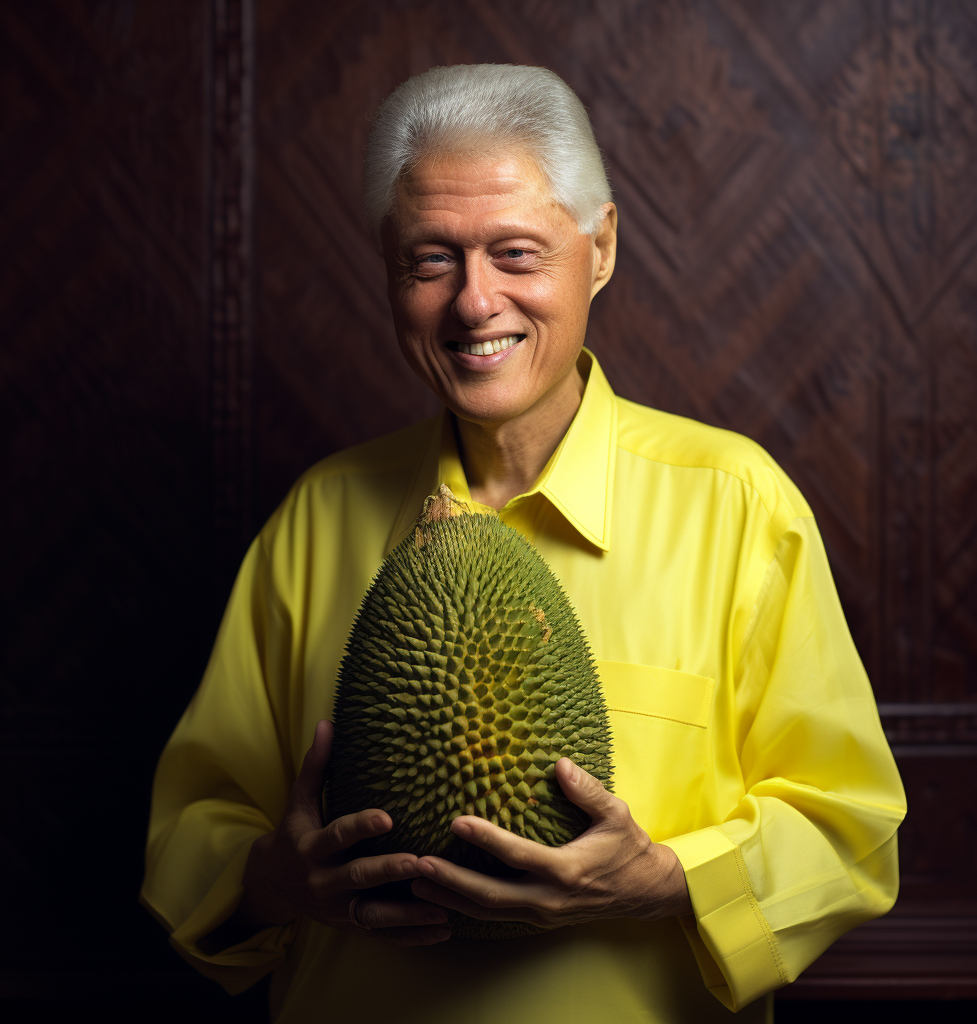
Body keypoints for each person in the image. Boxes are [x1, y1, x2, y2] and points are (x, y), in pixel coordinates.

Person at [141, 64, 906, 1023]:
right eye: (430, 260)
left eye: (516, 253)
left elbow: (852, 832)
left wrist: (666, 878)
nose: (473, 303)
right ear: (387, 269)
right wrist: (270, 879)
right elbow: (191, 830)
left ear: (602, 249)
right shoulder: (317, 517)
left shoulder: (739, 504)